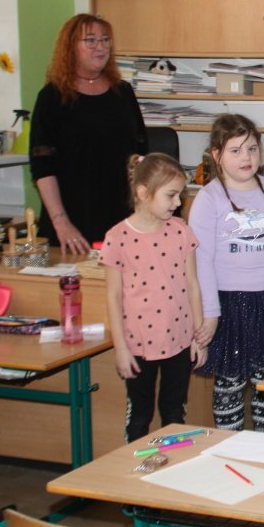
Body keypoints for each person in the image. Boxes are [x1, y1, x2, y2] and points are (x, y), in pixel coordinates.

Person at [189, 114, 264, 432]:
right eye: (236, 150)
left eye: (252, 149)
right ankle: (229, 446)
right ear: (217, 155)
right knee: (229, 382)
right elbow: (202, 261)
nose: (246, 157)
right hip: (228, 304)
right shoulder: (208, 198)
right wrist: (210, 313)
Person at [101, 153, 207, 443]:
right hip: (138, 346)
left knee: (174, 413)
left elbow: (193, 285)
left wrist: (198, 337)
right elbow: (113, 297)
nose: (178, 202)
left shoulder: (181, 231)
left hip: (179, 342)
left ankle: (173, 465)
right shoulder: (117, 238)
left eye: (180, 195)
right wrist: (121, 348)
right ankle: (135, 465)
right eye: (171, 195)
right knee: (140, 414)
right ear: (143, 193)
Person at [30, 13, 148, 253]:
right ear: (70, 47)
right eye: (90, 40)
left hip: (121, 216)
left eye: (105, 40)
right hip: (71, 223)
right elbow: (43, 168)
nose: (100, 47)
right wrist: (61, 223)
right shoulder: (52, 97)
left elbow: (141, 151)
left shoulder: (123, 92)